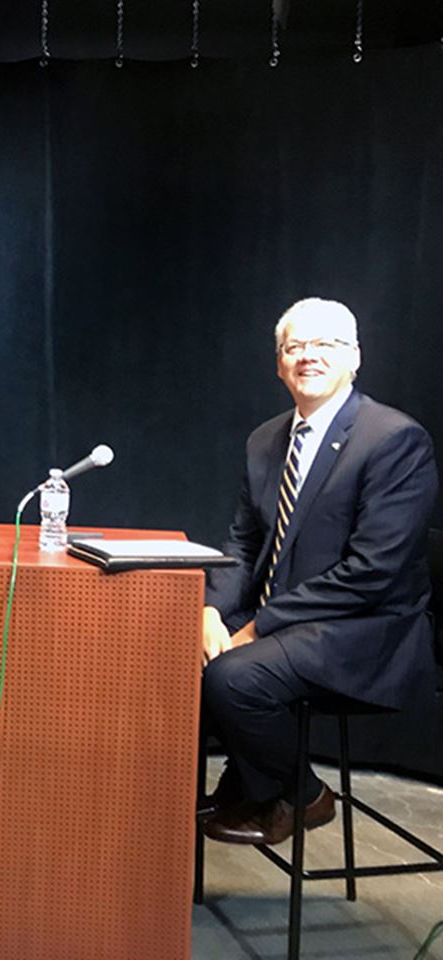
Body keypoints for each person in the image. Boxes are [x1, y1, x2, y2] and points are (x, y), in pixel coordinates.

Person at [199, 297, 438, 845]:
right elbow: (243, 542)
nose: (309, 356)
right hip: (290, 613)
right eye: (295, 346)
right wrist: (212, 612)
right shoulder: (265, 439)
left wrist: (256, 628)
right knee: (181, 652)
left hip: (365, 627)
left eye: (325, 344)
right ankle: (237, 789)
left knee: (234, 676)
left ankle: (302, 793)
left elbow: (371, 572)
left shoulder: (394, 440)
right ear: (279, 363)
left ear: (354, 357)